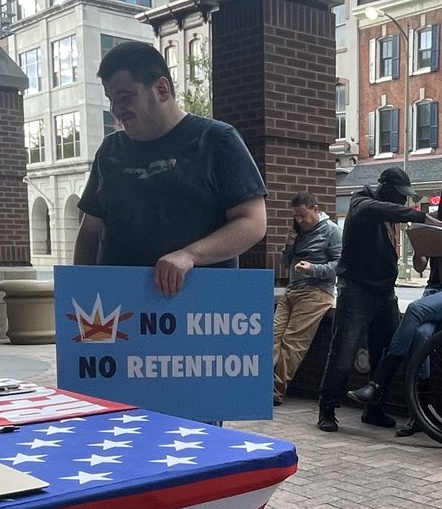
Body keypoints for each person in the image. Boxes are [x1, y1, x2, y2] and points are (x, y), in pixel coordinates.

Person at [74, 41, 267, 294]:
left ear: (162, 89)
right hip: (116, 305)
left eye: (125, 97)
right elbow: (90, 231)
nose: (116, 111)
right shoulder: (110, 150)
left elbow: (253, 222)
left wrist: (190, 255)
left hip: (199, 305)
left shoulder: (217, 140)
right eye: (111, 100)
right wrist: (79, 290)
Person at [347, 167, 442, 435]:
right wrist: (421, 251)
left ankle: (379, 382)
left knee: (413, 310)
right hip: (434, 289)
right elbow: (420, 266)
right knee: (422, 336)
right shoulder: (435, 219)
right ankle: (419, 415)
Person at [317, 166, 432, 433]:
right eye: (399, 195)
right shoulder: (361, 201)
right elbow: (374, 210)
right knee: (344, 351)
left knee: (387, 351)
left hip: (385, 291)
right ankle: (327, 408)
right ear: (385, 189)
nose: (402, 200)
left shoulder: (386, 211)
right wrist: (419, 215)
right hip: (356, 289)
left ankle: (375, 408)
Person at [273, 192, 342, 406]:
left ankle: (275, 391)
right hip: (292, 290)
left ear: (316, 209)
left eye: (303, 215)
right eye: (296, 216)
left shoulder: (331, 231)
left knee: (292, 343)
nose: (300, 220)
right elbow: (285, 263)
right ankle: (259, 384)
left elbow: (340, 265)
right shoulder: (298, 232)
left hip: (316, 292)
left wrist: (313, 268)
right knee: (272, 337)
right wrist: (289, 246)